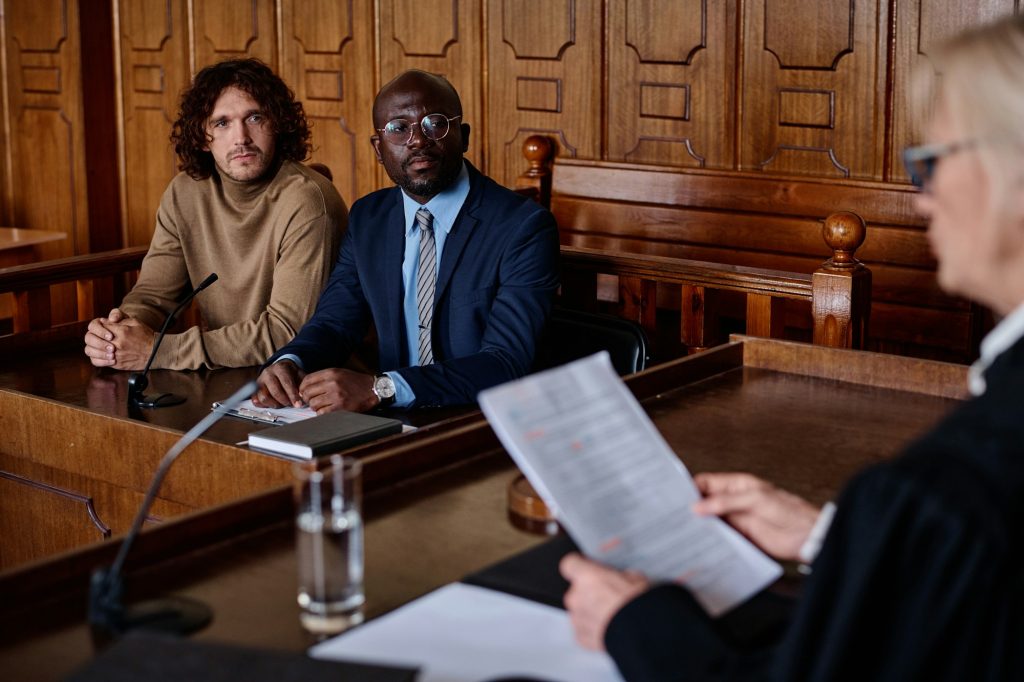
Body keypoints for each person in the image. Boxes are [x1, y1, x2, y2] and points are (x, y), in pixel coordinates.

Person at [560, 15, 1024, 681]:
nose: (922, 201)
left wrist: (635, 623)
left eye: (932, 162)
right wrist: (831, 536)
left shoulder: (947, 487)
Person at [253, 70, 559, 413]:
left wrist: (382, 387)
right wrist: (292, 361)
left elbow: (506, 363)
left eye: (435, 123)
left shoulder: (523, 227)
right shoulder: (369, 218)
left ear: (464, 135)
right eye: (399, 128)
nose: (417, 140)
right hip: (391, 421)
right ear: (379, 149)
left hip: (483, 421)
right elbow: (335, 322)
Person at [83, 58, 347, 371]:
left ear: (277, 124)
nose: (241, 138)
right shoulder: (185, 193)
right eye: (222, 123)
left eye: (254, 117)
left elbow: (287, 331)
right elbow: (154, 295)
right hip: (224, 373)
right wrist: (118, 334)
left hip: (306, 379)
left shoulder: (308, 200)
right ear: (202, 137)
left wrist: (158, 351)